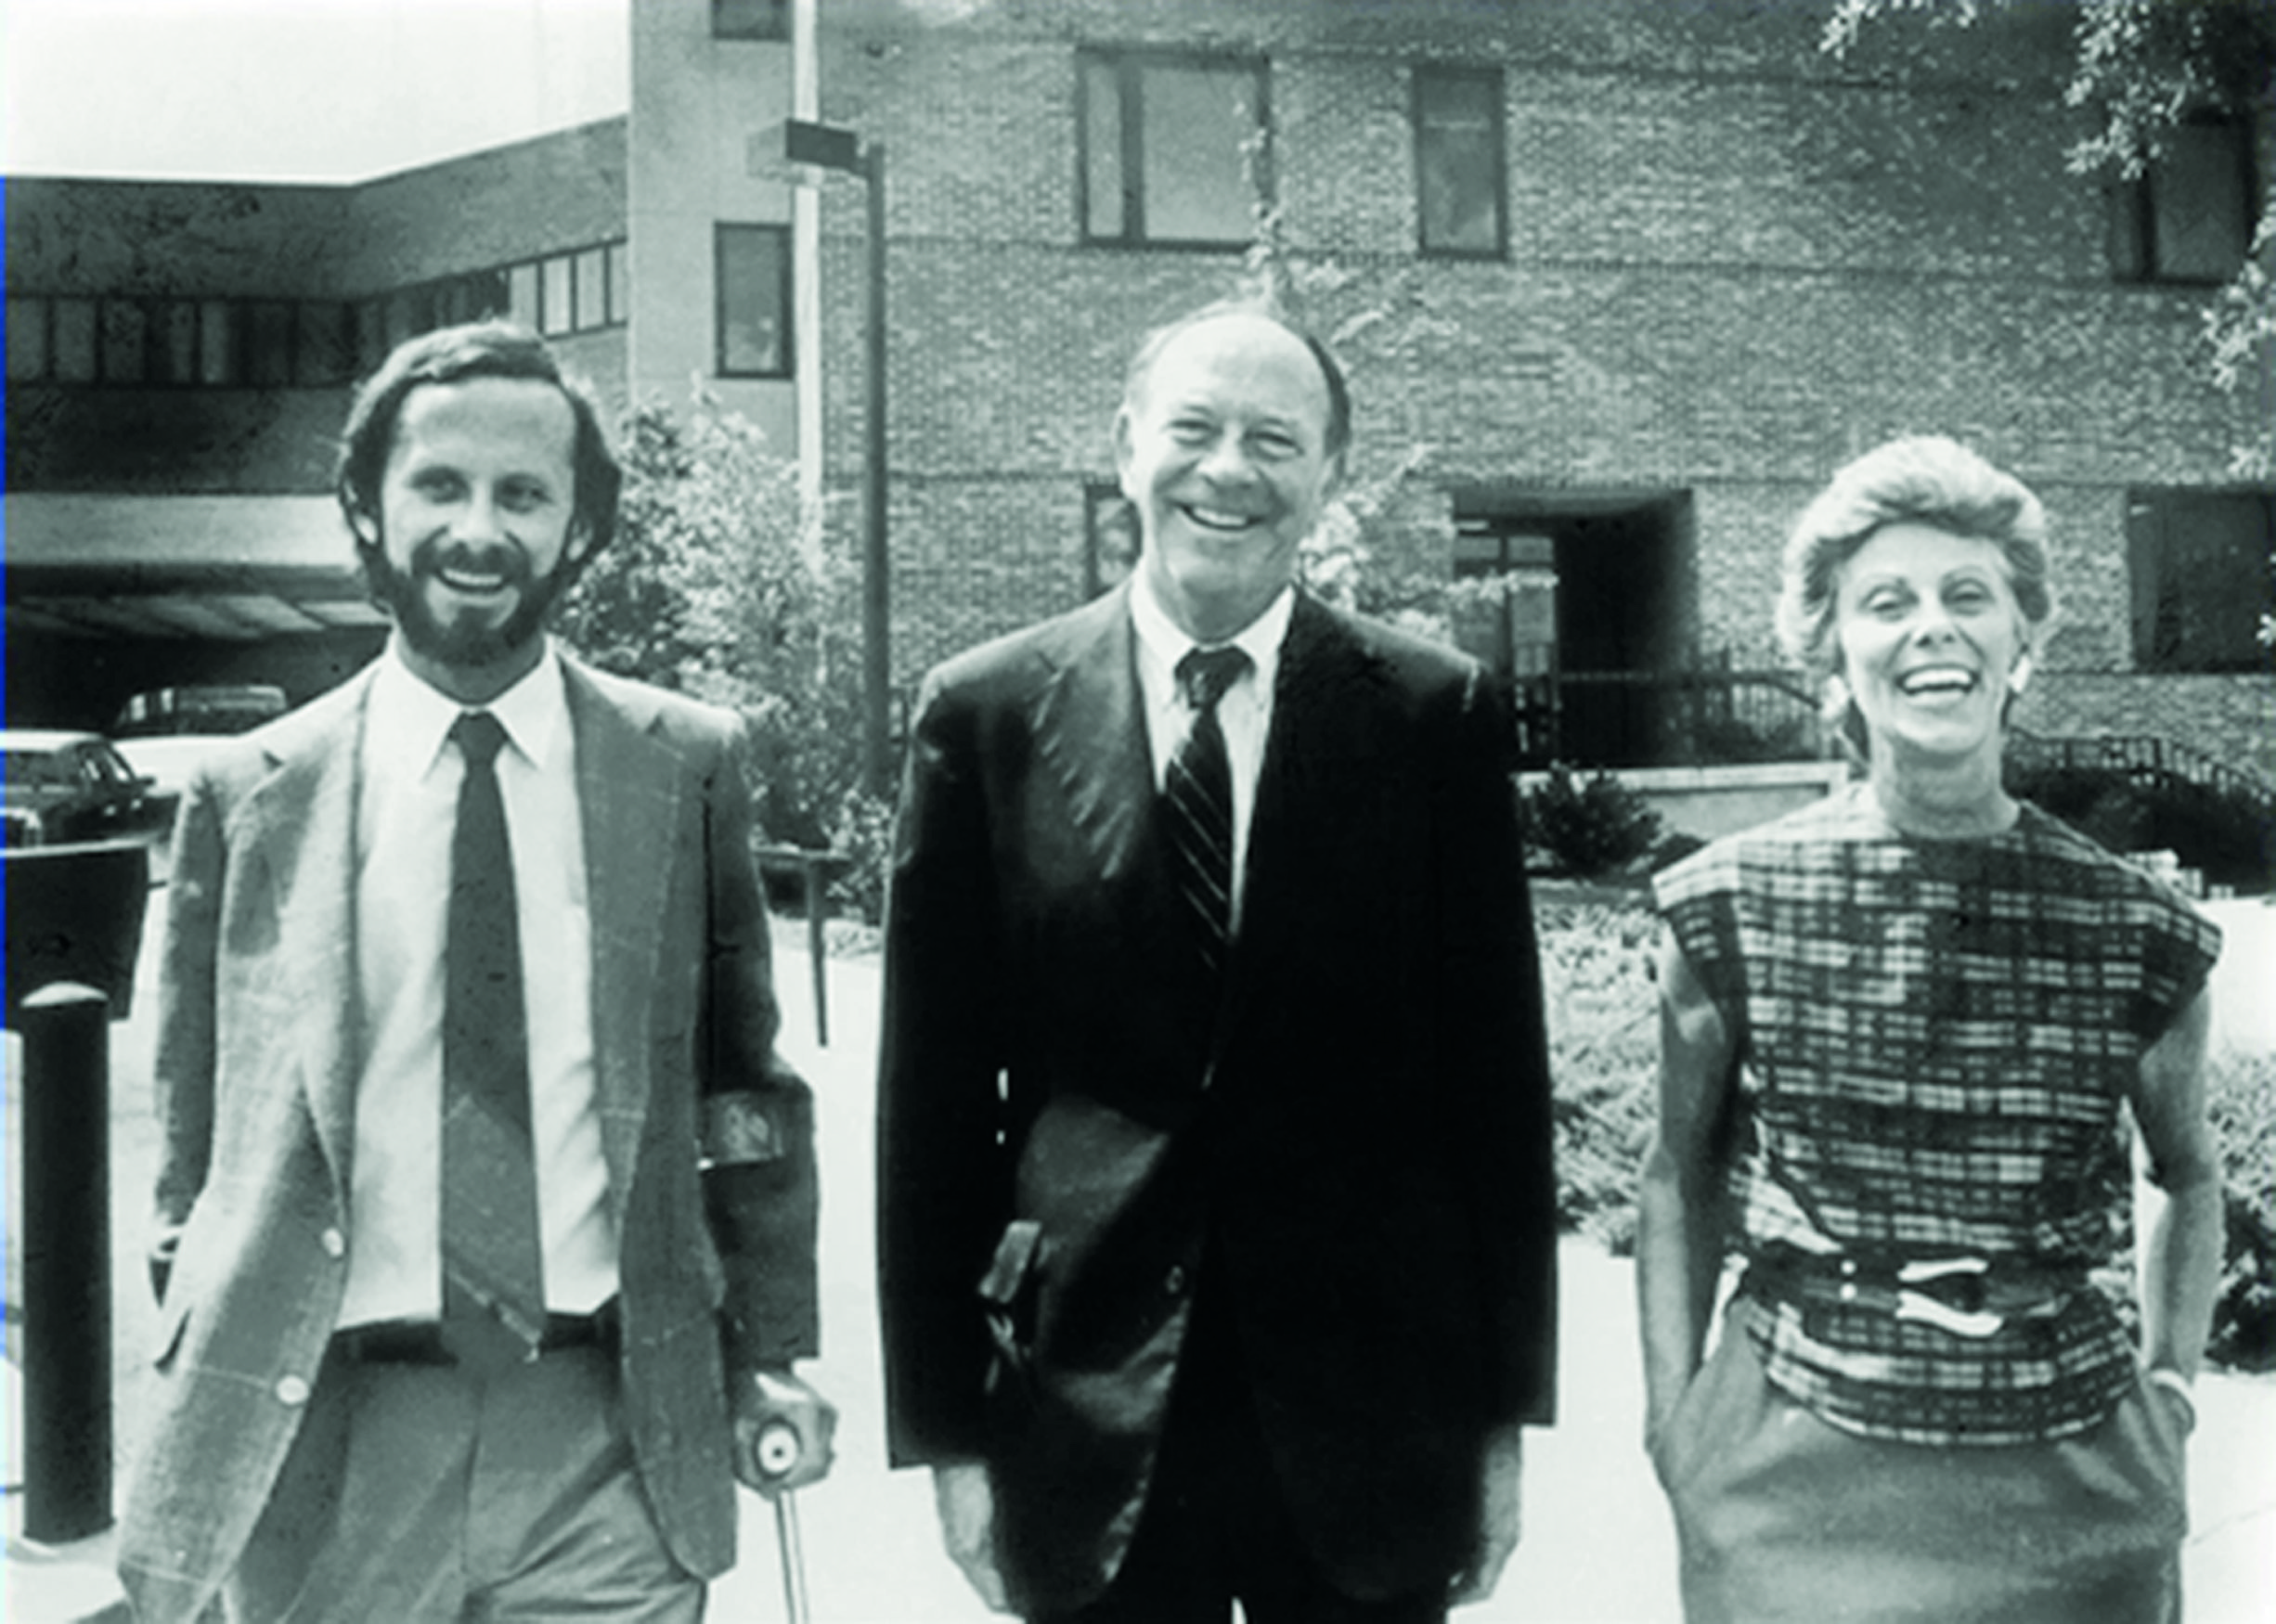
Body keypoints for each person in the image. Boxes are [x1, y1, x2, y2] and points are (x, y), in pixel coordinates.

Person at [118, 321, 836, 1623]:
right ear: (368, 506)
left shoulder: (683, 767)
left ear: (580, 526)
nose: (477, 530)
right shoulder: (249, 794)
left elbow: (744, 1090)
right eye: (439, 486)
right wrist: (211, 1360)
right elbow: (194, 1144)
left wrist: (771, 1346)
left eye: (523, 494)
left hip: (608, 1434)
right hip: (324, 1435)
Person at [876, 297, 1558, 1624]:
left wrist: (1502, 1424)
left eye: (1274, 440)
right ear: (1126, 446)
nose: (1228, 470)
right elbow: (931, 1114)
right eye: (1193, 429)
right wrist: (948, 1437)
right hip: (1084, 1407)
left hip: (1373, 1411)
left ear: (1331, 475)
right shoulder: (984, 714)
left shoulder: (1434, 715)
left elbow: (1495, 1095)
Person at [1635, 435, 2223, 1624]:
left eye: (1967, 595)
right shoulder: (1726, 904)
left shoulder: (2138, 925)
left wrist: (2169, 1385)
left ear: (2022, 638)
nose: (1931, 629)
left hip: (2071, 1485)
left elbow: (2188, 1171)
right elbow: (1676, 1171)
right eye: (1885, 602)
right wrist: (1673, 1420)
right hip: (1792, 1478)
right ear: (1832, 647)